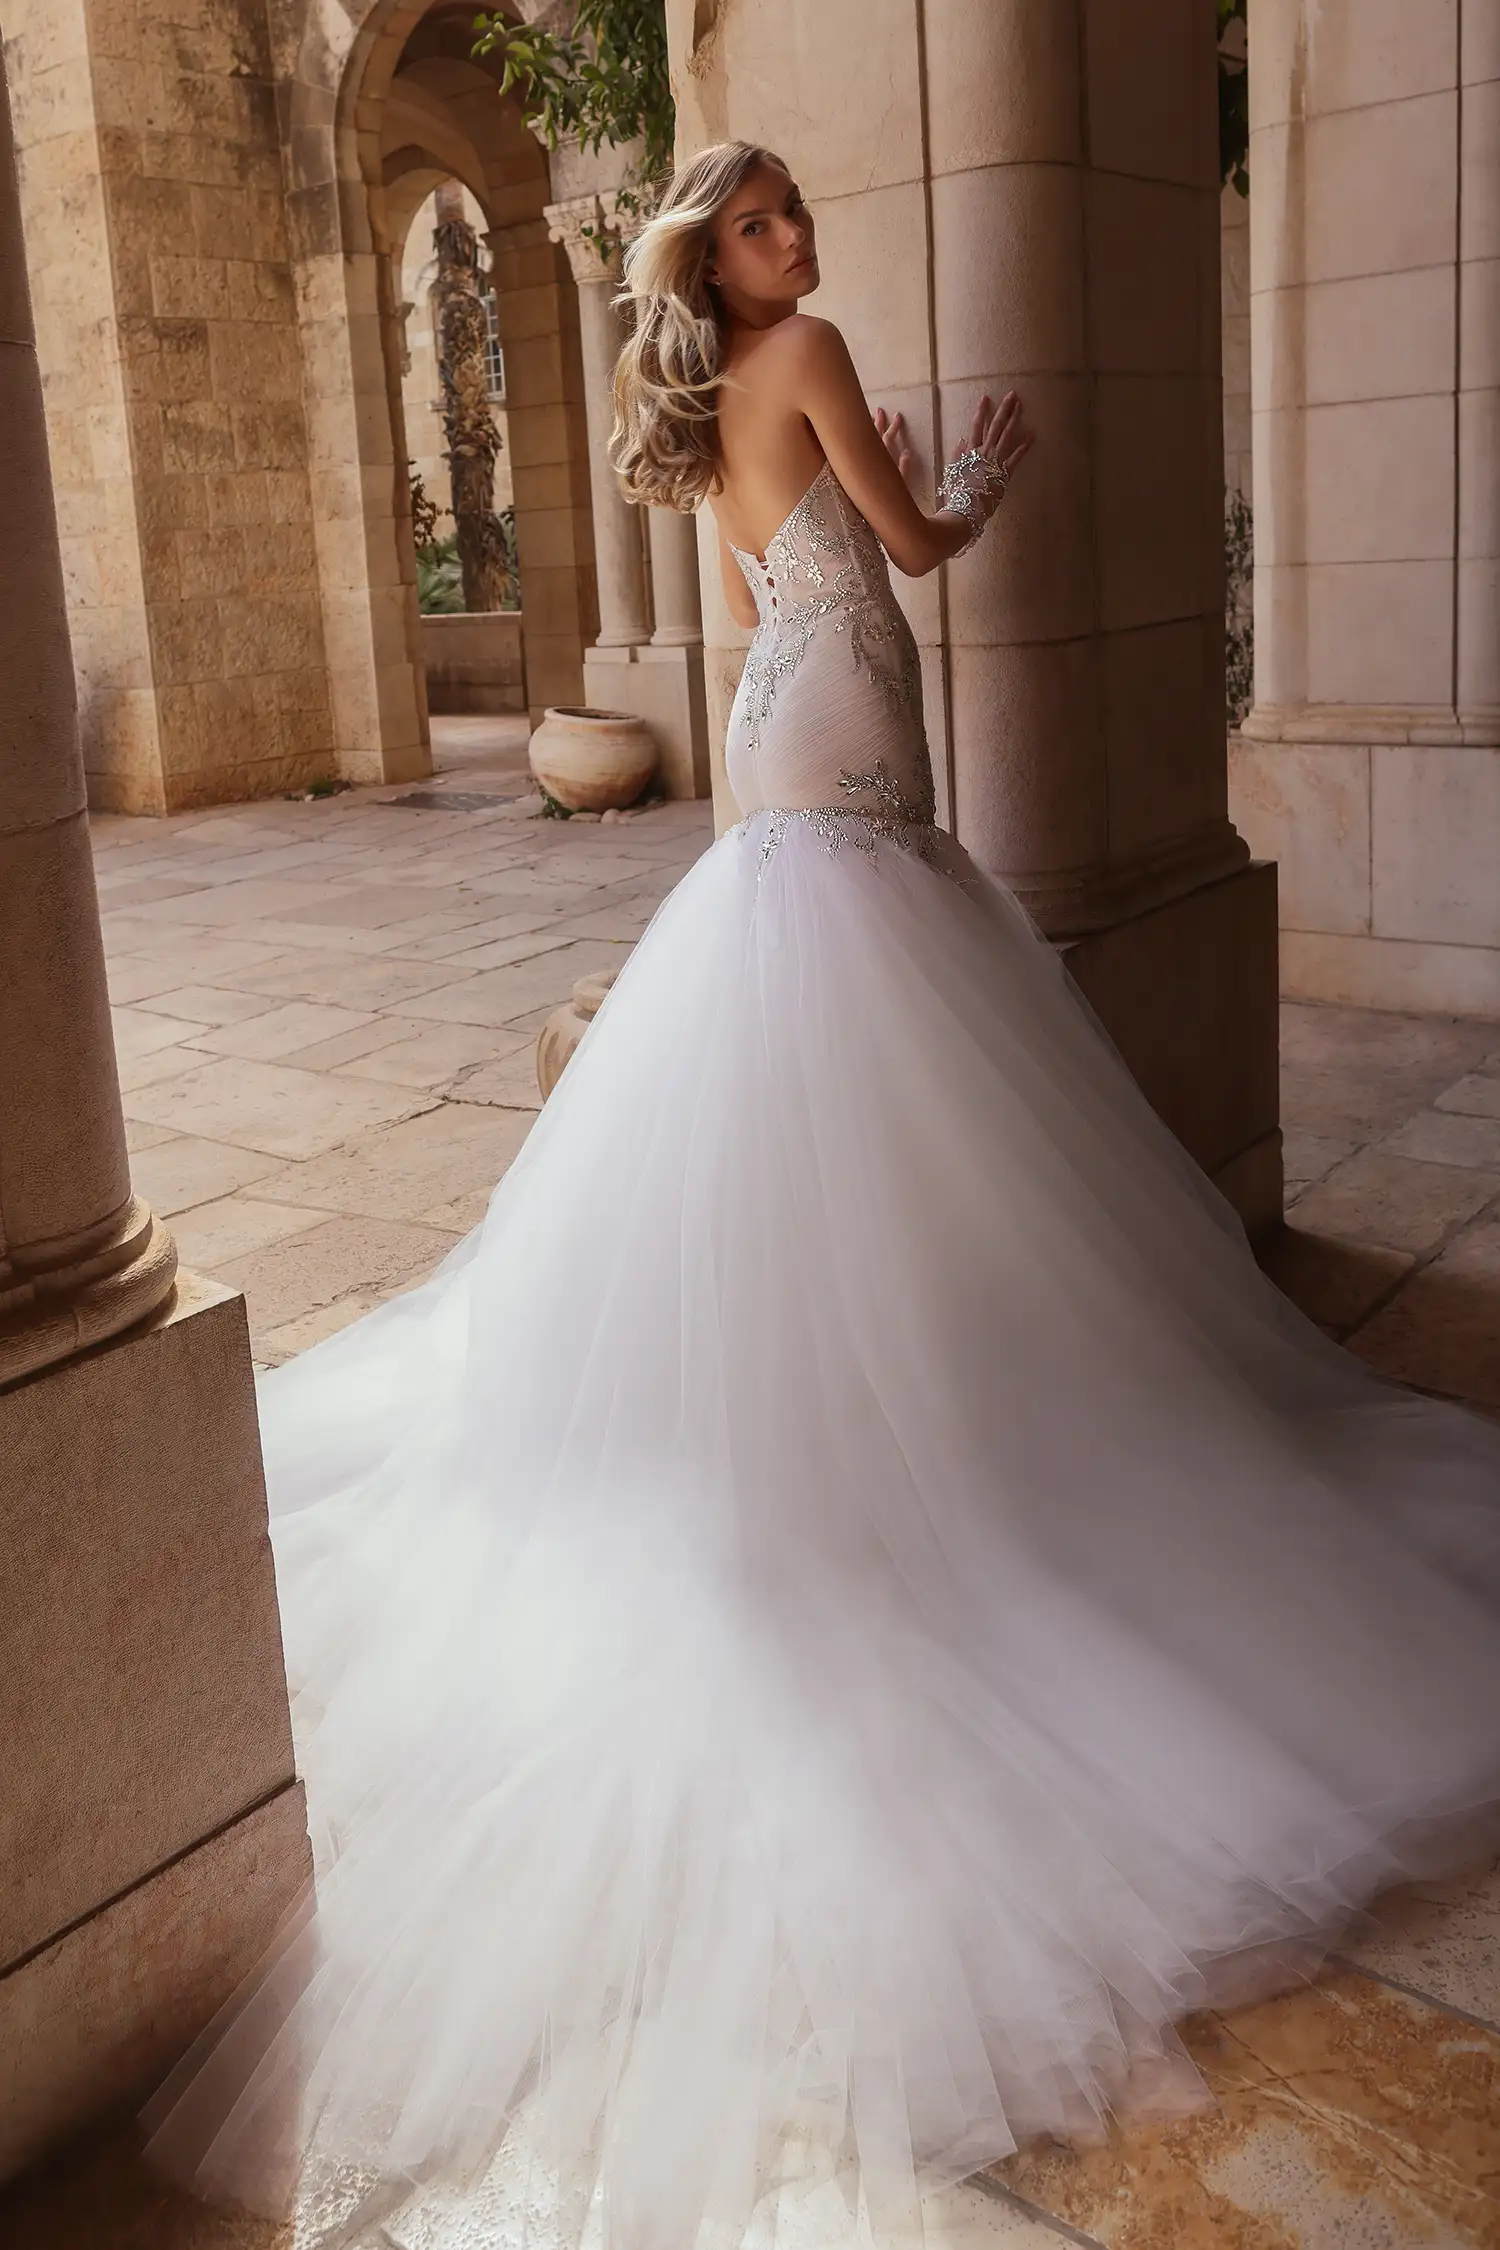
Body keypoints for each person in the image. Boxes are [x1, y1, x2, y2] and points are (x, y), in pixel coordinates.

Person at [144, 140, 1500, 2250]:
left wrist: (907, 475)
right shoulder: (817, 346)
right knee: (884, 976)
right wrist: (987, 470)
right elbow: (915, 548)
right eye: (763, 219)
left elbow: (797, 546)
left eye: (788, 217)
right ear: (727, 251)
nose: (795, 242)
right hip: (850, 706)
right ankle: (904, 1415)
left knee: (810, 995)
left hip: (786, 711)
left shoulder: (706, 387)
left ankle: (826, 1391)